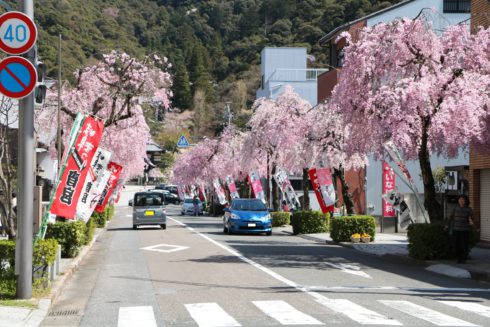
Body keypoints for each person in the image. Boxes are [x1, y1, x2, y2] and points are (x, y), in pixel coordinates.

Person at [447, 195, 474, 264]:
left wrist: (476, 227)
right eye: (460, 199)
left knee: (464, 245)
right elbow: (450, 217)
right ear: (458, 201)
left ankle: (463, 259)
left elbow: (473, 219)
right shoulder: (455, 208)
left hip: (465, 230)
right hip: (456, 229)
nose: (461, 201)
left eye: (463, 200)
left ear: (466, 201)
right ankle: (458, 258)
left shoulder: (469, 209)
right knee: (457, 245)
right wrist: (447, 225)